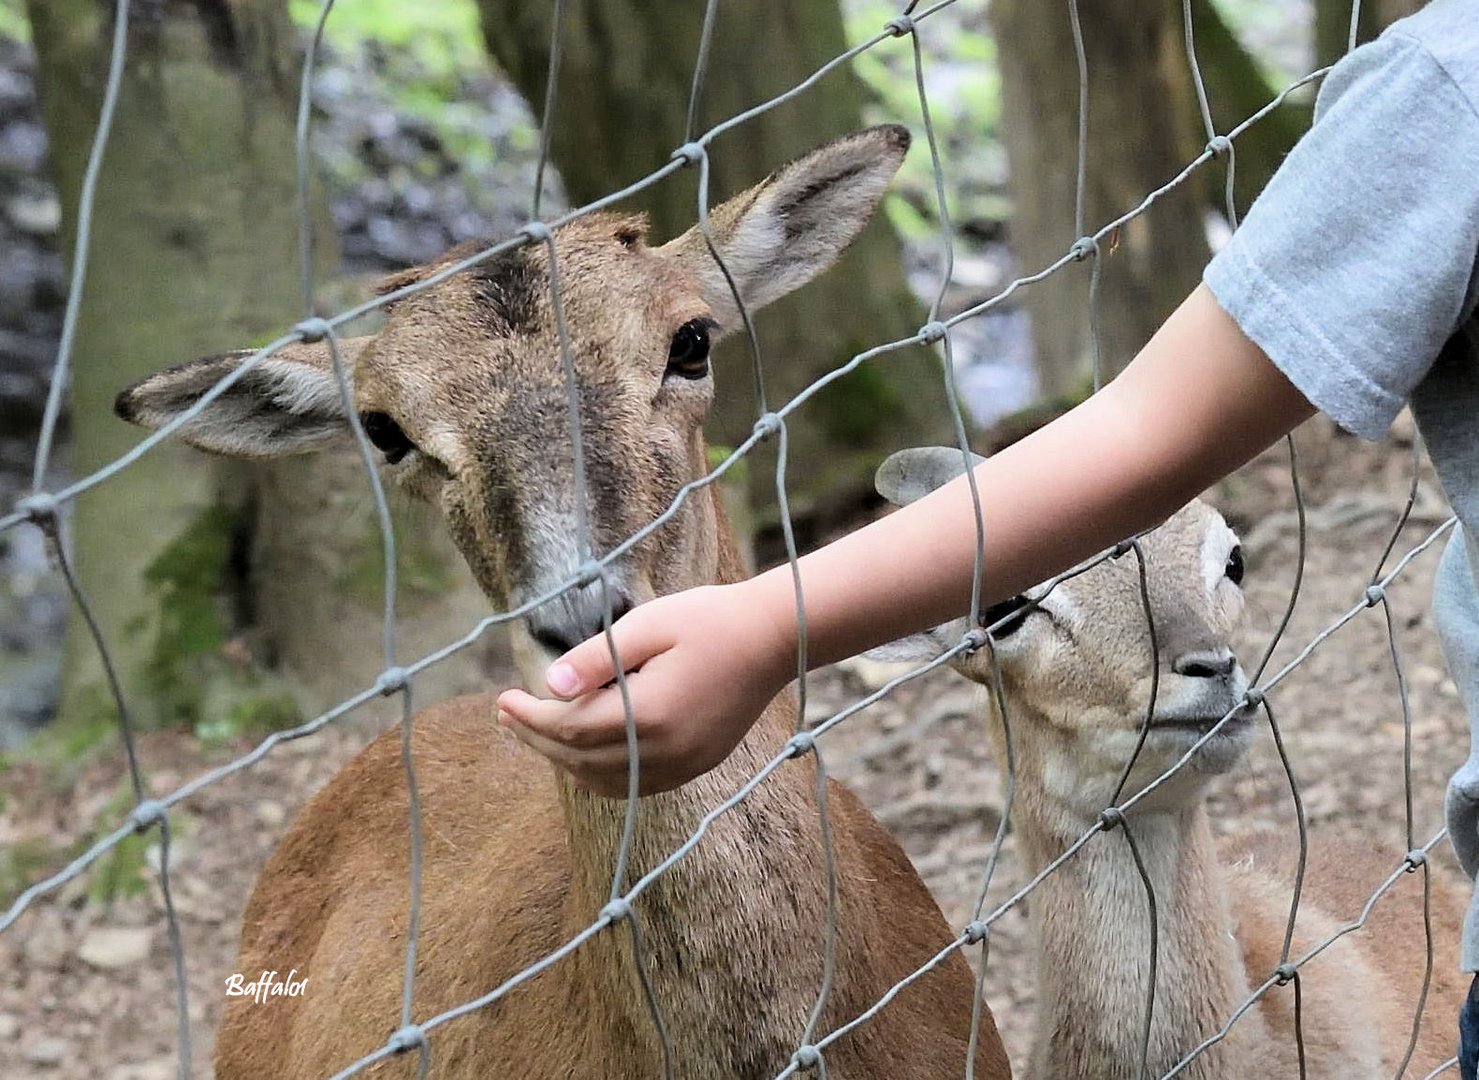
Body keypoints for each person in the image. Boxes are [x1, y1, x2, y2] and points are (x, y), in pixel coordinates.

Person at [497, 0, 1479, 1069]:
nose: (1203, 650)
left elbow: (1152, 441)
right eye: (1011, 611)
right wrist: (767, 631)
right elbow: (1153, 438)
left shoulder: (1446, 88)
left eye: (1221, 566)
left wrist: (770, 628)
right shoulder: (1445, 91)